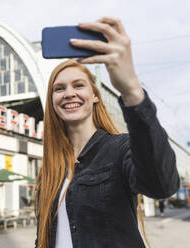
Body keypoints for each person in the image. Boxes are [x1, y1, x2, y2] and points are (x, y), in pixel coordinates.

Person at [34, 17, 180, 248]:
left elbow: (161, 186)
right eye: (59, 89)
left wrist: (131, 90)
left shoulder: (120, 149)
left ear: (95, 96)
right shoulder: (50, 168)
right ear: (52, 102)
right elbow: (43, 237)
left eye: (78, 85)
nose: (68, 93)